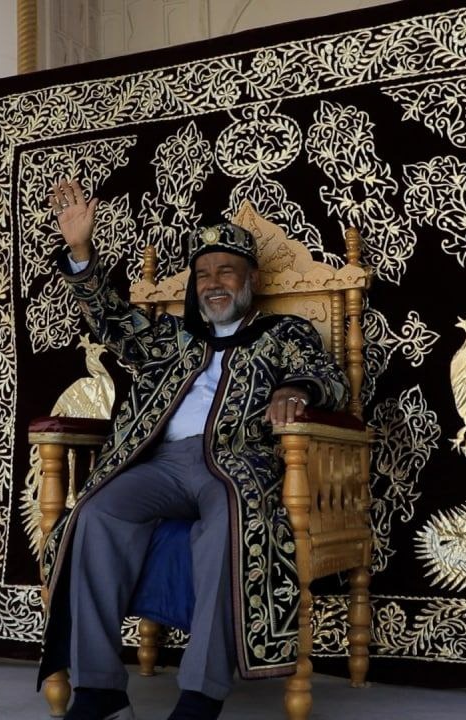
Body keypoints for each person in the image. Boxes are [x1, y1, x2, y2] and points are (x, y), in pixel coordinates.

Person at [36, 178, 350, 720]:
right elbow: (112, 321)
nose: (213, 283)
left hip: (235, 463)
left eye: (226, 271)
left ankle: (201, 695)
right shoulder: (173, 338)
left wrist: (296, 389)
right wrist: (82, 251)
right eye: (203, 274)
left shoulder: (285, 332)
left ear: (251, 278)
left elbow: (331, 379)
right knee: (94, 512)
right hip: (159, 463)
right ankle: (101, 692)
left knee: (230, 521)